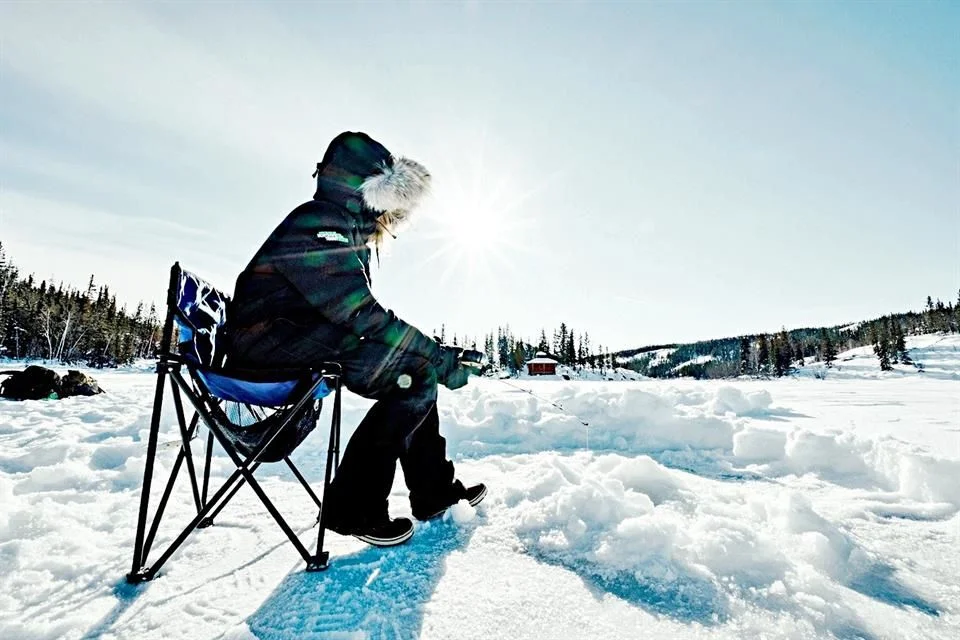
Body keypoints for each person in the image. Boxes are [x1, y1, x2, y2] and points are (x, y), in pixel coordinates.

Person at [226, 131, 486, 547]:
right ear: (368, 190)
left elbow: (354, 317)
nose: (393, 217)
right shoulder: (318, 224)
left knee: (414, 372)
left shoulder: (341, 228)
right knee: (415, 374)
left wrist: (436, 356)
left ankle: (433, 491)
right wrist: (432, 356)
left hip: (293, 338)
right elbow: (359, 313)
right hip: (270, 346)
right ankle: (353, 508)